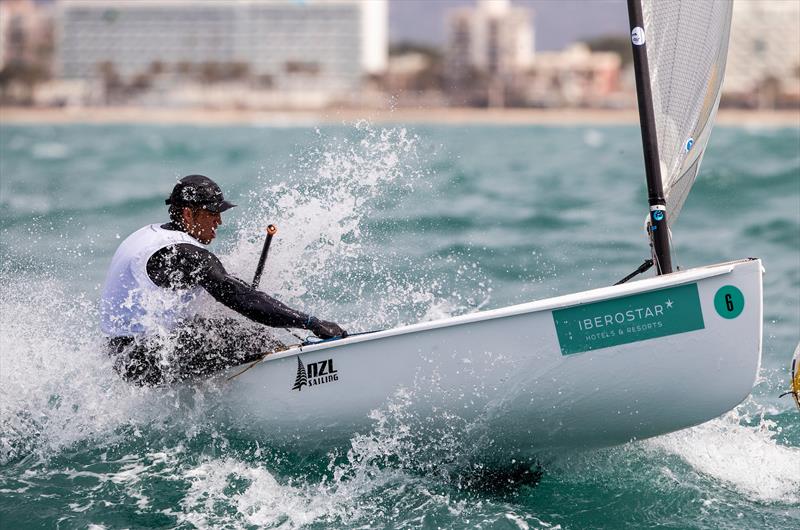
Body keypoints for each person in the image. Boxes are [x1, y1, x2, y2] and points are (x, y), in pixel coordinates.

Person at [100, 174, 346, 385]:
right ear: (188, 213)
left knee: (224, 328)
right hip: (143, 361)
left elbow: (227, 288)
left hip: (123, 356)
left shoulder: (151, 234)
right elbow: (240, 298)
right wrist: (310, 322)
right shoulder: (185, 254)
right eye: (213, 213)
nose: (219, 221)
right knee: (247, 340)